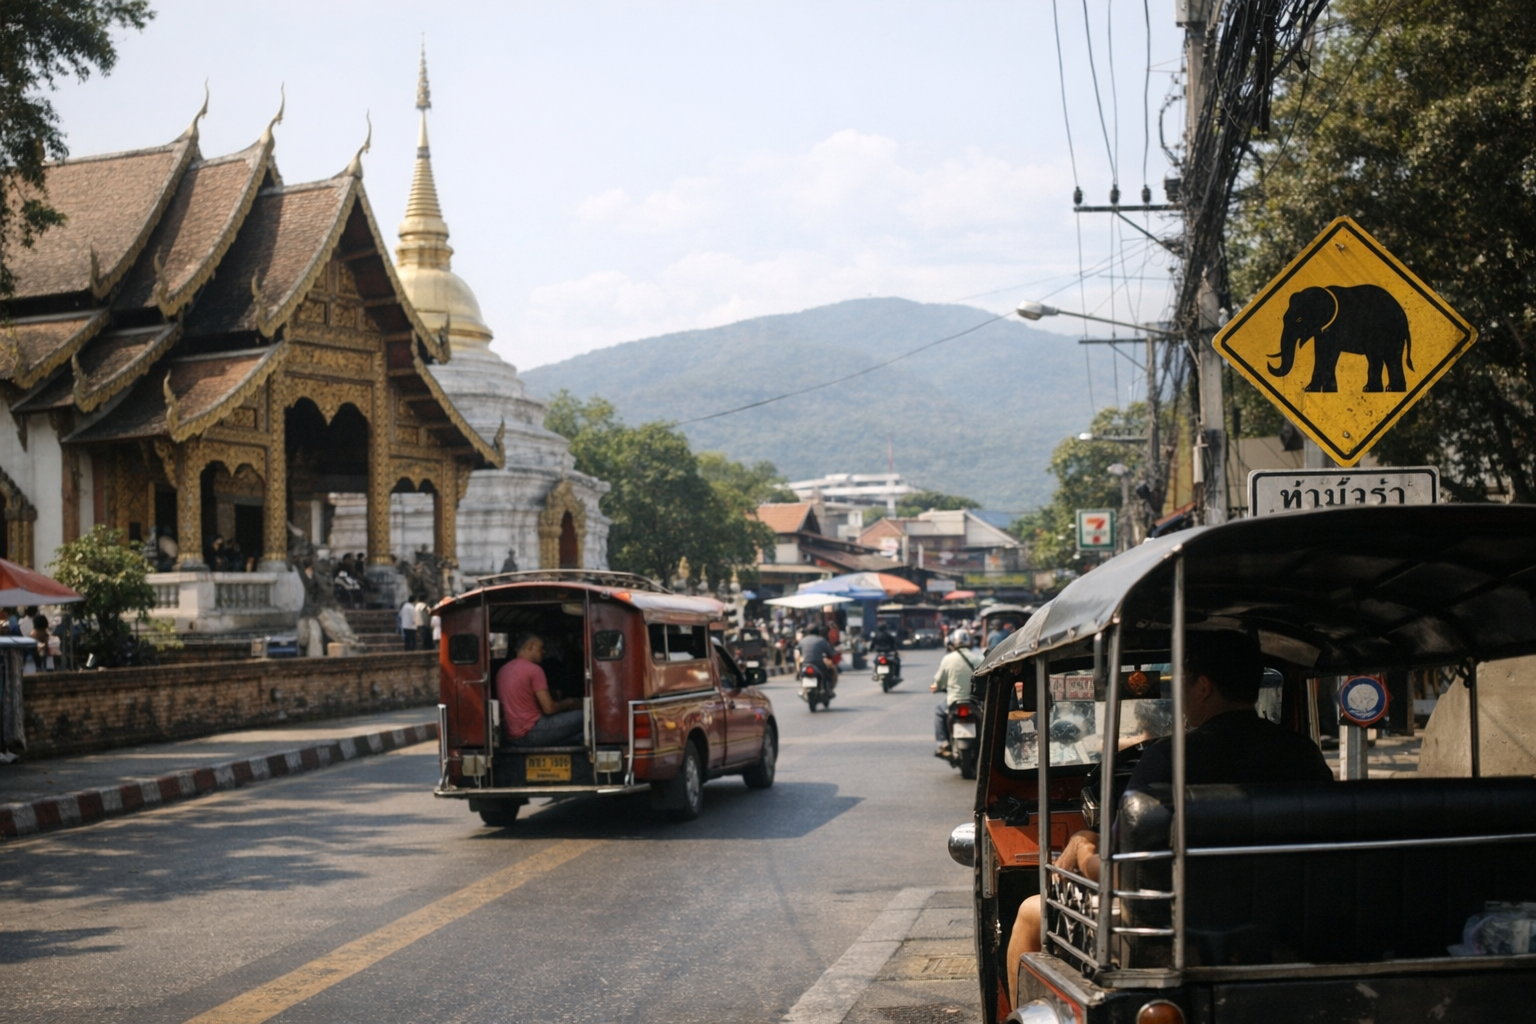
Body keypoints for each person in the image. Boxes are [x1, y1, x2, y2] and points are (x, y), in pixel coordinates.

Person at [1003, 631, 1332, 1006]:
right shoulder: (1303, 752)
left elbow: (1118, 874)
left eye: (1184, 682)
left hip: (1180, 927)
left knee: (1032, 911)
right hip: (1292, 916)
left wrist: (1080, 846)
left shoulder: (1168, 759)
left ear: (1204, 686)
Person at [496, 633, 584, 745]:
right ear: (530, 646)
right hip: (534, 732)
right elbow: (549, 708)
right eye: (541, 648)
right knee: (587, 715)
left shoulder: (502, 670)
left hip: (512, 738)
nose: (544, 652)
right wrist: (571, 702)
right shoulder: (534, 670)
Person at [930, 629, 979, 756]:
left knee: (939, 711)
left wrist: (936, 687)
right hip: (975, 702)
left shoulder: (948, 659)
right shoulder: (979, 657)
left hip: (953, 702)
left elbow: (939, 681)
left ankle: (943, 743)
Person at [796, 624, 839, 690]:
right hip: (819, 664)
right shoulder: (821, 640)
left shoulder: (803, 641)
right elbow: (830, 653)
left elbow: (797, 650)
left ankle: (799, 676)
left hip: (805, 664)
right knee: (831, 671)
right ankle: (830, 688)